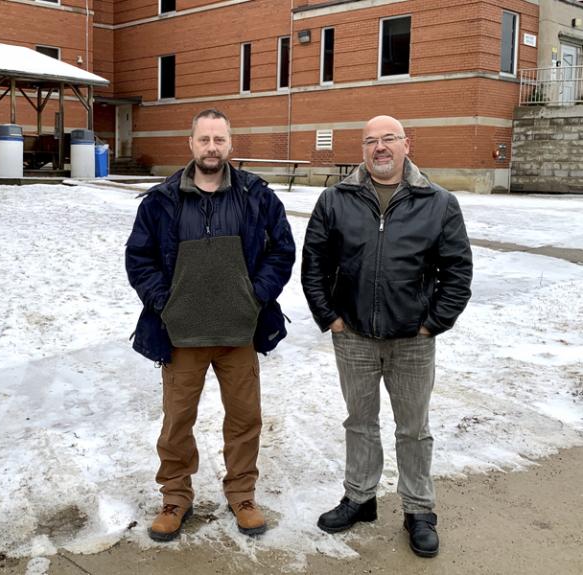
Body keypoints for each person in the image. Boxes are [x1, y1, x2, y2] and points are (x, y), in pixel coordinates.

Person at [301, 115, 473, 558]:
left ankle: (419, 510)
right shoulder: (334, 201)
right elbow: (314, 266)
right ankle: (360, 498)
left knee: (414, 429)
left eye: (389, 139)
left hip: (413, 341)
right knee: (359, 423)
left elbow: (457, 272)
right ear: (362, 149)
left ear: (406, 144)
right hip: (354, 335)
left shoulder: (438, 202)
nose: (380, 147)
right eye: (371, 141)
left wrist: (432, 323)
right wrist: (331, 319)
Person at [125, 108, 295, 542]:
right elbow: (139, 258)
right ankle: (175, 497)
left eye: (219, 140)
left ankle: (242, 494)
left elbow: (282, 250)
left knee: (244, 419)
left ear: (230, 144)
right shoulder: (163, 200)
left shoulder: (256, 196)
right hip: (182, 336)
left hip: (239, 334)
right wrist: (167, 303)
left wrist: (255, 295)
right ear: (191, 144)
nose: (212, 148)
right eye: (205, 140)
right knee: (177, 420)